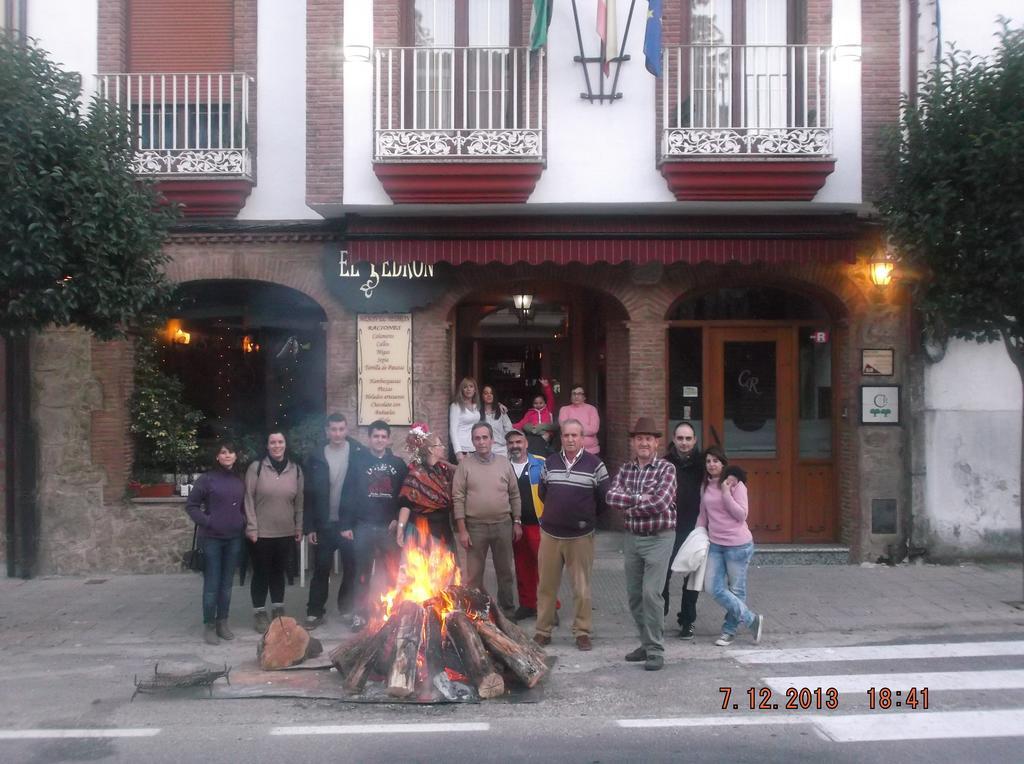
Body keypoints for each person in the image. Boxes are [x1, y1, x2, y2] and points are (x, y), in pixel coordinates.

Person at [605, 417, 677, 671]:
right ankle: (646, 643)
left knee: (651, 594)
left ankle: (656, 650)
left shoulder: (667, 469)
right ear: (633, 443)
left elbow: (661, 503)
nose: (643, 443)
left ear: (656, 442)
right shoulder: (626, 470)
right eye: (639, 438)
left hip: (660, 537)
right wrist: (638, 498)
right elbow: (611, 496)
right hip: (633, 538)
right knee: (635, 596)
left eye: (648, 438)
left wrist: (630, 506)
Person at [532, 419, 610, 651]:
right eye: (566, 435)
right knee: (546, 586)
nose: (570, 439)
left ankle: (582, 632)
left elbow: (603, 499)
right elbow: (544, 492)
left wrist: (585, 518)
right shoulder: (551, 462)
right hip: (551, 535)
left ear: (583, 437)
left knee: (581, 588)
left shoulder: (595, 465)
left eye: (575, 435)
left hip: (580, 536)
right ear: (561, 437)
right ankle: (543, 631)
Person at [341, 420, 408, 631]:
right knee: (361, 573)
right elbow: (347, 493)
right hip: (363, 525)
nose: (379, 440)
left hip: (388, 527)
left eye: (383, 436)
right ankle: (360, 615)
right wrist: (346, 524)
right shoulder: (357, 461)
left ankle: (387, 613)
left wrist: (399, 520)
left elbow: (405, 497)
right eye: (375, 436)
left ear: (388, 439)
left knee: (391, 572)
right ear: (369, 438)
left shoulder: (398, 464)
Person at [697, 445, 765, 647]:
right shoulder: (705, 485)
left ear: (723, 463)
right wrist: (697, 537)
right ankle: (752, 620)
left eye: (715, 461)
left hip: (738, 545)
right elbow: (703, 515)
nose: (711, 464)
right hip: (715, 544)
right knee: (712, 587)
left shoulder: (736, 485)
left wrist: (726, 492)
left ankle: (729, 631)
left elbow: (741, 515)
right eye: (708, 461)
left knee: (736, 590)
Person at [452, 421, 522, 616]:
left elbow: (515, 494)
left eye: (485, 437)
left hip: (503, 525)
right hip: (475, 528)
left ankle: (507, 612)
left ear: (492, 440)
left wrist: (517, 521)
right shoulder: (464, 466)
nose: (481, 442)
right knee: (474, 575)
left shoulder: (504, 463)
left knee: (505, 572)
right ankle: (474, 613)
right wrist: (462, 530)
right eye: (477, 438)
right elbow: (457, 498)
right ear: (472, 441)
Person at [303, 413, 363, 630]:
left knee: (351, 568)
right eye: (333, 429)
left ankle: (346, 608)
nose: (337, 433)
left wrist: (356, 522)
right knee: (320, 569)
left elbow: (362, 490)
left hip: (348, 524)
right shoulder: (316, 456)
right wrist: (309, 526)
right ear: (327, 431)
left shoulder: (358, 453)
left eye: (341, 429)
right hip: (324, 524)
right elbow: (308, 494)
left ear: (346, 430)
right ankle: (314, 612)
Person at [185, 440, 246, 645]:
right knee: (212, 584)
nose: (227, 456)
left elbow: (243, 506)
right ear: (217, 457)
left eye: (231, 452)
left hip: (234, 538)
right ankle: (209, 624)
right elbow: (191, 505)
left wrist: (242, 521)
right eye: (223, 452)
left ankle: (223, 622)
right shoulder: (207, 479)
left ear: (236, 456)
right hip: (211, 539)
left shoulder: (239, 479)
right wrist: (208, 521)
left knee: (227, 585)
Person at [245, 430, 304, 632]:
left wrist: (299, 527)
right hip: (261, 533)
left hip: (286, 532)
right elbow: (248, 499)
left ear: (286, 444)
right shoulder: (257, 468)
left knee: (279, 573)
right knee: (261, 573)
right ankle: (259, 613)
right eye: (273, 442)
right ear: (267, 446)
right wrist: (252, 527)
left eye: (280, 441)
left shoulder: (295, 470)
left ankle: (278, 609)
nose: (277, 445)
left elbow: (300, 503)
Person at [662, 421, 703, 639]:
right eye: (680, 438)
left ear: (695, 440)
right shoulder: (665, 463)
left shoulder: (703, 463)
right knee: (663, 575)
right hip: (669, 528)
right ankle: (660, 615)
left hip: (695, 528)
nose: (684, 443)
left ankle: (687, 621)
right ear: (674, 439)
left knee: (692, 578)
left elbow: (727, 471)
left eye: (688, 438)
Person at [505, 428, 546, 621]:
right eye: (511, 443)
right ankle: (528, 604)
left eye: (518, 442)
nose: (515, 446)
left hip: (538, 524)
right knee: (522, 567)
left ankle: (549, 607)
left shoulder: (541, 463)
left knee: (544, 567)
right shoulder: (503, 466)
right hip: (515, 526)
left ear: (526, 444)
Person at [397, 424, 456, 549]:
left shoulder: (445, 470)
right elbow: (405, 504)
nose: (443, 448)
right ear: (431, 449)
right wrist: (400, 529)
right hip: (422, 528)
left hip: (443, 527)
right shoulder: (416, 475)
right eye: (440, 445)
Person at [512, 378, 556, 456]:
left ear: (545, 403)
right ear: (532, 404)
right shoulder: (530, 412)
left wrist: (546, 387)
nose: (538, 405)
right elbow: (522, 423)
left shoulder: (548, 410)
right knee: (527, 429)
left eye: (540, 403)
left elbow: (550, 398)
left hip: (547, 435)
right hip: (534, 435)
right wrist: (511, 426)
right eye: (536, 403)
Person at [557, 383, 601, 455]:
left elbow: (594, 429)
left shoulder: (592, 409)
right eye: (574, 394)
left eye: (579, 394)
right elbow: (565, 429)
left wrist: (574, 426)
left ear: (584, 397)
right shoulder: (564, 410)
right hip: (570, 452)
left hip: (591, 451)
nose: (576, 396)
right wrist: (584, 427)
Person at [449, 376, 481, 463]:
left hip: (474, 447)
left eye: (471, 386)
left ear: (475, 390)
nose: (468, 389)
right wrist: (458, 452)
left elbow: (490, 406)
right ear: (461, 390)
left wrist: (499, 405)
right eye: (465, 387)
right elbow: (453, 430)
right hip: (462, 448)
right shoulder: (456, 406)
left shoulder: (476, 405)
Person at [480, 385, 513, 456]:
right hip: (483, 449)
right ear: (481, 396)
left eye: (491, 393)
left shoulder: (501, 411)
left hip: (501, 449)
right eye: (486, 393)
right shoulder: (477, 413)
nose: (489, 395)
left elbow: (509, 429)